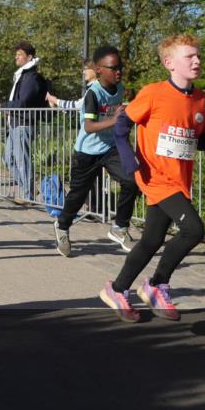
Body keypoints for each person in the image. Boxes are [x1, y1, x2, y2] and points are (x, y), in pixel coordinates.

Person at [99, 34, 205, 322]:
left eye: (198, 56)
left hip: (179, 179)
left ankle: (118, 289)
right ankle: (158, 284)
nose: (197, 61)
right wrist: (128, 157)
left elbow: (199, 142)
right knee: (193, 230)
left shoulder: (202, 100)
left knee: (151, 240)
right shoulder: (153, 93)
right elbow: (122, 126)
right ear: (169, 63)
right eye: (189, 56)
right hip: (155, 176)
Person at [52, 46, 139, 256]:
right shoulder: (93, 94)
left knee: (132, 180)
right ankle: (62, 226)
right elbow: (89, 127)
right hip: (87, 152)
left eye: (120, 67)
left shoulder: (119, 88)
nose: (118, 72)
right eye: (113, 68)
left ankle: (119, 227)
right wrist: (114, 119)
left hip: (110, 148)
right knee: (77, 196)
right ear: (99, 70)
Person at [0, 41, 48, 200]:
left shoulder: (31, 78)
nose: (16, 57)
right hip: (16, 123)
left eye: (19, 54)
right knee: (8, 159)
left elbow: (23, 102)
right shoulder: (23, 75)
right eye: (15, 54)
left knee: (22, 161)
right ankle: (28, 189)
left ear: (29, 57)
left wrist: (3, 106)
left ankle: (28, 196)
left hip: (23, 123)